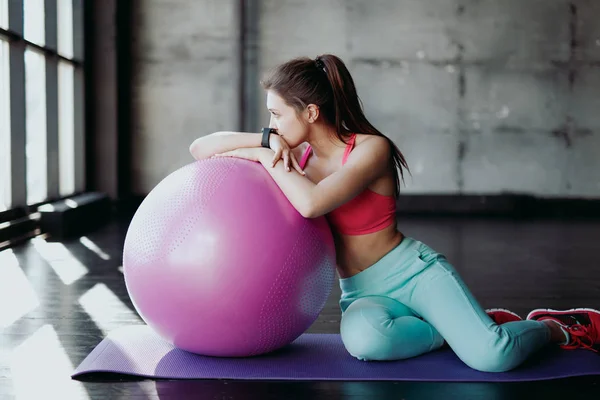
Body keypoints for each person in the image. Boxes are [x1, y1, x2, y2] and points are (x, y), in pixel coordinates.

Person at [189, 54, 599, 372]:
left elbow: (312, 203)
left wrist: (263, 155)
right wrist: (262, 141)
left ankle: (555, 326)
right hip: (361, 291)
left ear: (311, 112)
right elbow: (200, 149)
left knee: (493, 356)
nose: (271, 124)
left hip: (414, 274)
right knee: (366, 345)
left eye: (276, 115)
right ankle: (461, 326)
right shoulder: (297, 155)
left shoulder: (370, 149)